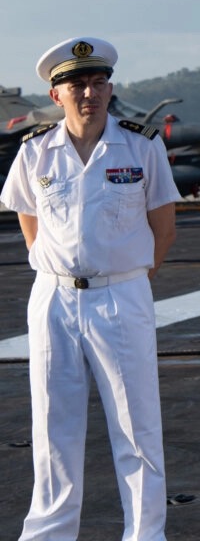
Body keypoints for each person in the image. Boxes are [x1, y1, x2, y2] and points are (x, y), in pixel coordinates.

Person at [0, 37, 180, 540]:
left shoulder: (142, 146)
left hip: (121, 295)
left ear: (110, 89)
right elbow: (28, 220)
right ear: (56, 94)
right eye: (77, 83)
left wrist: (127, 280)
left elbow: (163, 228)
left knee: (136, 428)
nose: (89, 93)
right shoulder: (36, 151)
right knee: (53, 428)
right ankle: (49, 534)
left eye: (98, 83)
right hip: (54, 298)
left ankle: (146, 534)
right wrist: (60, 270)